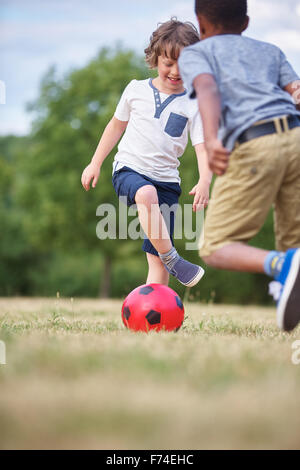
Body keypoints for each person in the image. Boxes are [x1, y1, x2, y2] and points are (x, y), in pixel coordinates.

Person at [178, 0, 300, 331]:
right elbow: (296, 90)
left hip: (255, 143)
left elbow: (207, 89)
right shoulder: (270, 50)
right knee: (295, 241)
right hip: (296, 135)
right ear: (246, 22)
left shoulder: (197, 54)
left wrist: (214, 138)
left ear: (200, 24)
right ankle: (288, 270)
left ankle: (280, 265)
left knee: (215, 245)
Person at [81, 19, 212, 288]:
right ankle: (175, 259)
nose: (176, 71)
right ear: (155, 59)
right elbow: (115, 126)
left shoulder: (193, 103)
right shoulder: (135, 90)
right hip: (129, 170)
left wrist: (205, 180)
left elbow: (203, 146)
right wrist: (95, 163)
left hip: (167, 183)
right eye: (168, 63)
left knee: (156, 259)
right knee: (145, 194)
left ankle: (157, 316)